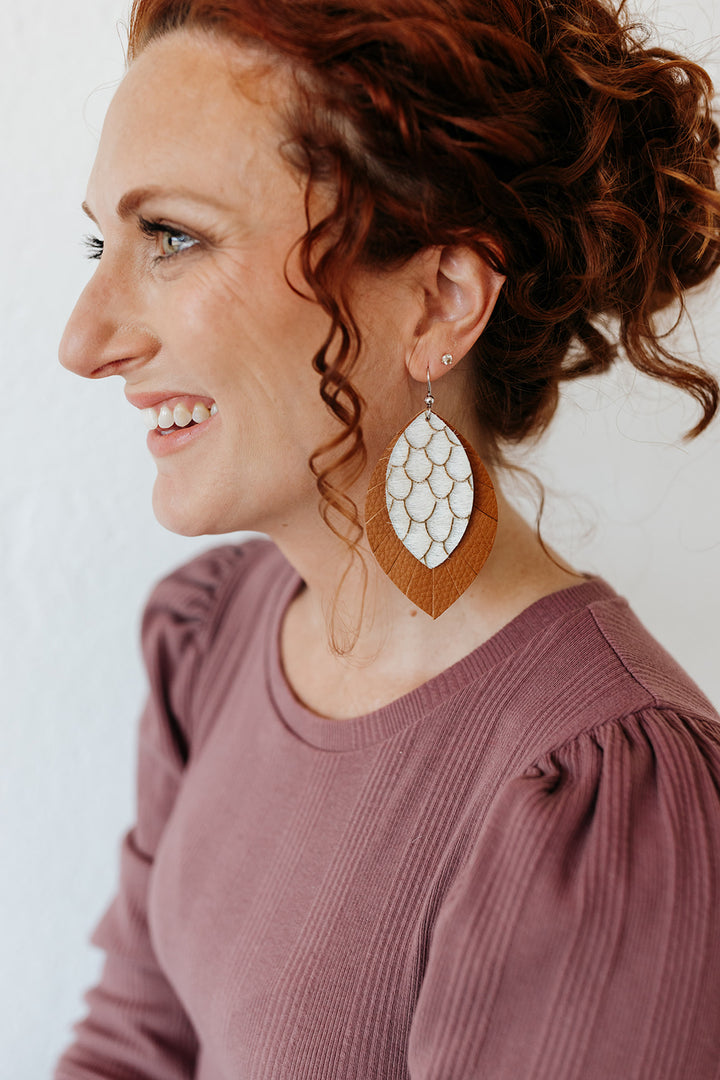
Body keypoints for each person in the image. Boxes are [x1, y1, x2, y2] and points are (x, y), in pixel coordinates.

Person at [53, 0, 720, 1077]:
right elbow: (135, 1043)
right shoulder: (210, 638)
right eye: (102, 239)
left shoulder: (599, 803)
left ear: (439, 303)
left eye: (171, 235)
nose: (83, 339)